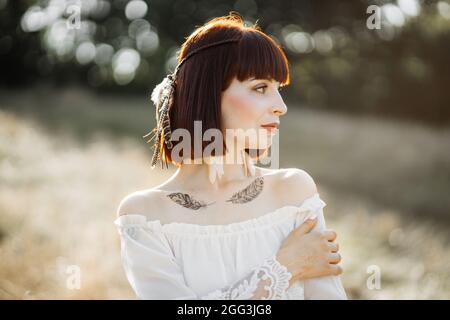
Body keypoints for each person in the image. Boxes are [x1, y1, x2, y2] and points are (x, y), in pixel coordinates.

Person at [114, 12, 347, 300]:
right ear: (209, 94)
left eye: (279, 89)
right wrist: (283, 268)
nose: (281, 106)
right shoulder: (145, 216)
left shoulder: (294, 191)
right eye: (260, 87)